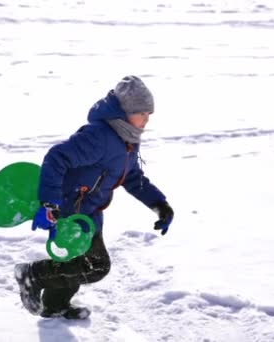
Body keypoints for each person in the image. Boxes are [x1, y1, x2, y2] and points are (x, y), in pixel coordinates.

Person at [14, 75, 174, 320]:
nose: (147, 119)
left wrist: (159, 204)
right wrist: (50, 203)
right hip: (68, 211)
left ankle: (55, 306)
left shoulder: (127, 139)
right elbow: (56, 158)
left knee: (74, 262)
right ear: (126, 111)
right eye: (142, 113)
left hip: (89, 212)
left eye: (149, 114)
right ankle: (32, 275)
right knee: (95, 266)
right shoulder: (99, 136)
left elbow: (131, 176)